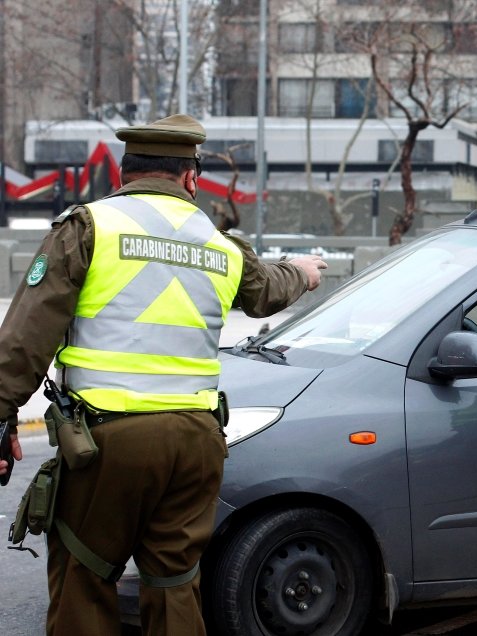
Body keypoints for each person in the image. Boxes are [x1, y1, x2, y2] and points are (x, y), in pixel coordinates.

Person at [0, 114, 328, 636]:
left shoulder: (89, 227)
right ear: (190, 178)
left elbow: (25, 338)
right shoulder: (221, 245)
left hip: (105, 443)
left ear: (125, 174)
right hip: (196, 443)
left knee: (85, 576)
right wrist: (305, 274)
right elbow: (269, 289)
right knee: (175, 584)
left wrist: (2, 419)